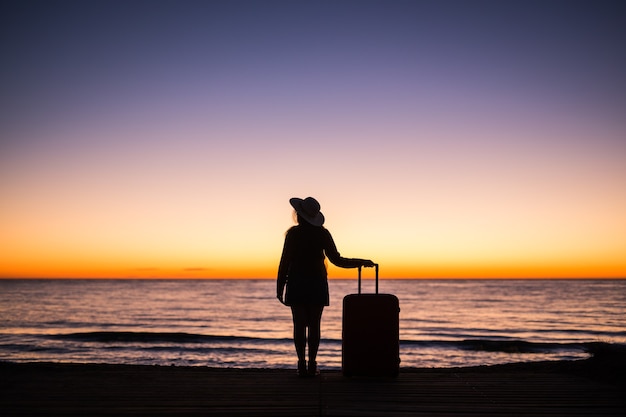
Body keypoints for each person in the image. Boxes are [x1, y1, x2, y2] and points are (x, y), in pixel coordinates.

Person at [277, 196, 375, 377]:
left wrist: (279, 287)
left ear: (299, 215)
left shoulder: (293, 234)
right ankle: (312, 365)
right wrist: (360, 262)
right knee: (314, 325)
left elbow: (285, 261)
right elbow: (337, 260)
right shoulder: (322, 233)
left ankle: (301, 366)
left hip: (297, 282)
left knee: (299, 325)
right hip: (317, 282)